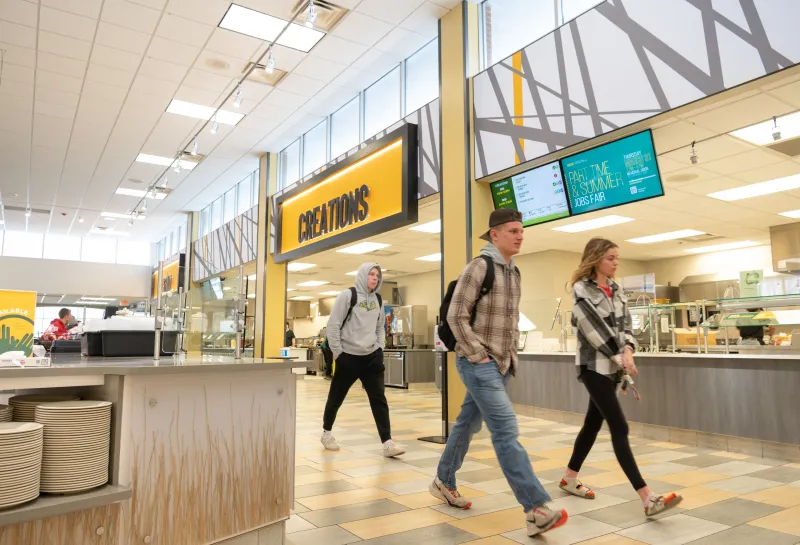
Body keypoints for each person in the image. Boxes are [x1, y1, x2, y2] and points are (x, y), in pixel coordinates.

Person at [428, 209, 568, 537]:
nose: (520, 236)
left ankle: (443, 480)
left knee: (467, 423)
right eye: (513, 231)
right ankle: (535, 509)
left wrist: (511, 360)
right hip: (479, 363)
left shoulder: (514, 272)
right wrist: (478, 356)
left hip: (501, 366)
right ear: (495, 235)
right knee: (505, 430)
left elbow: (511, 322)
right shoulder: (479, 267)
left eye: (522, 231)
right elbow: (455, 317)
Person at [560, 237, 682, 517]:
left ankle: (569, 478)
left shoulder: (617, 289)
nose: (616, 263)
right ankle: (647, 497)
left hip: (614, 368)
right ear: (595, 259)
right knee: (619, 426)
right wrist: (621, 355)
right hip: (593, 367)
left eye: (617, 257)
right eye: (611, 258)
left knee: (592, 424)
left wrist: (628, 349)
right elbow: (593, 330)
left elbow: (626, 323)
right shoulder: (581, 290)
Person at [321, 262, 404, 457]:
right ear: (362, 275)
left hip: (371, 358)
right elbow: (333, 325)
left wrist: (379, 348)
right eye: (371, 274)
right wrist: (338, 353)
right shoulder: (348, 296)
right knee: (336, 397)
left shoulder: (378, 299)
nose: (375, 278)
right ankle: (327, 433)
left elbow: (379, 328)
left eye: (377, 275)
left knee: (379, 399)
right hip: (348, 357)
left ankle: (387, 443)